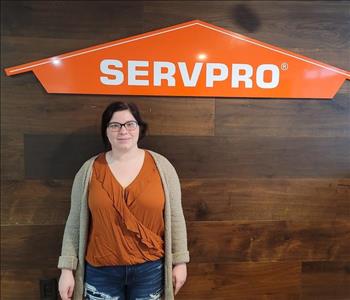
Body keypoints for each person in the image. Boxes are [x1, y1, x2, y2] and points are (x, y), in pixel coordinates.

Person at [58, 101, 189, 300]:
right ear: (106, 131)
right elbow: (74, 222)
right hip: (101, 271)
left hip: (150, 270)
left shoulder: (162, 167)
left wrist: (180, 262)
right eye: (115, 125)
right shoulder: (89, 170)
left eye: (130, 124)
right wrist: (66, 270)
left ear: (139, 128)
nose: (123, 131)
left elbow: (176, 218)